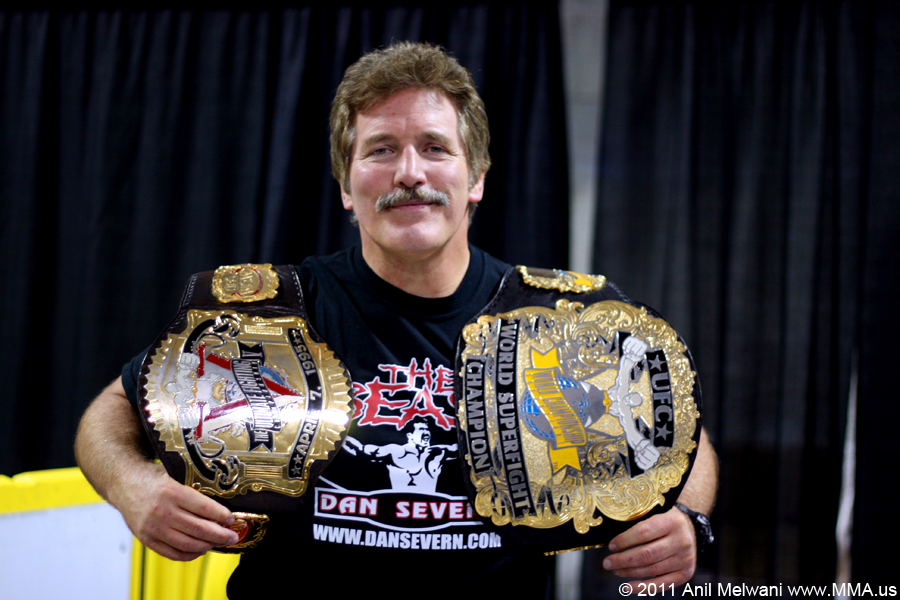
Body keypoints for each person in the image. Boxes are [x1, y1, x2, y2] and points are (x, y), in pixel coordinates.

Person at [75, 41, 717, 598]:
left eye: (435, 148)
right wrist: (135, 488)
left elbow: (683, 439)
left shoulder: (561, 321)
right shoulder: (266, 312)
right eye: (381, 150)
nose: (410, 173)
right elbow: (112, 412)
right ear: (346, 186)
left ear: (476, 178)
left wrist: (687, 518)